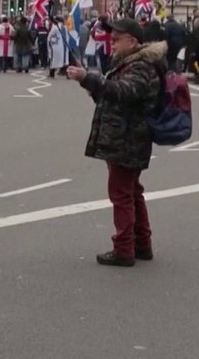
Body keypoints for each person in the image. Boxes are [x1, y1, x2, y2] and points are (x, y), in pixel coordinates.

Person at [65, 18, 164, 267]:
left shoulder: (141, 65)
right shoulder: (129, 63)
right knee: (132, 191)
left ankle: (124, 248)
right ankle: (141, 243)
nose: (112, 42)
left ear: (132, 41)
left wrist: (90, 79)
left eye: (117, 38)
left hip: (128, 138)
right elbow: (116, 97)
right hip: (124, 135)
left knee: (121, 193)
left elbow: (124, 92)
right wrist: (95, 88)